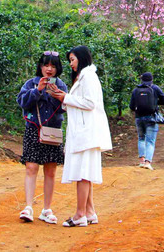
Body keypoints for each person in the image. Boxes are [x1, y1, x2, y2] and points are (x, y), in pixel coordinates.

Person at [48, 46, 112, 228]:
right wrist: (63, 98)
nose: (71, 64)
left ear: (82, 58)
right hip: (83, 132)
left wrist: (66, 98)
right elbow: (81, 103)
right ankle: (90, 212)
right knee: (85, 173)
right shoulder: (84, 76)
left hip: (87, 133)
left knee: (83, 174)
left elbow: (90, 103)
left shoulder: (89, 76)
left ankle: (80, 214)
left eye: (73, 59)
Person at [16, 51, 68, 224]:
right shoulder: (30, 83)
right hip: (33, 129)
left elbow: (64, 109)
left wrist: (57, 96)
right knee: (31, 167)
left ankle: (46, 209)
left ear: (57, 68)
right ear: (40, 66)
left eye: (53, 66)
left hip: (52, 130)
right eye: (46, 65)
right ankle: (28, 207)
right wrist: (37, 90)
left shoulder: (61, 85)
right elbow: (22, 102)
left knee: (51, 170)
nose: (49, 69)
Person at [129, 72, 164, 170]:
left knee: (141, 138)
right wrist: (155, 102)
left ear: (142, 80)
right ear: (152, 79)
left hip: (138, 118)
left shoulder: (136, 90)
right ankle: (148, 162)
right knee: (150, 141)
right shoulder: (155, 88)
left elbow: (131, 106)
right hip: (151, 118)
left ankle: (141, 161)